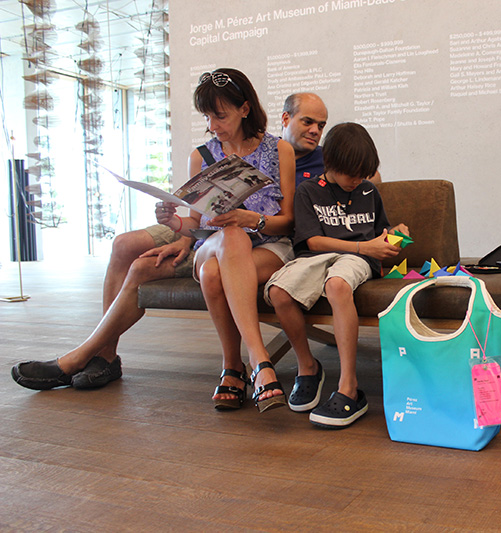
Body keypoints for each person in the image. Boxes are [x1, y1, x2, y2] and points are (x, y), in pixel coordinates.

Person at [12, 69, 295, 414]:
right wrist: (173, 223)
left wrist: (252, 219)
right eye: (207, 117)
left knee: (215, 266)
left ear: (245, 109)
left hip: (266, 246)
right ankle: (260, 363)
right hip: (213, 244)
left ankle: (233, 368)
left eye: (220, 115)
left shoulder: (278, 150)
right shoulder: (201, 156)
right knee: (217, 241)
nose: (212, 125)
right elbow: (194, 223)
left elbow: (288, 221)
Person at [266, 122, 408, 428]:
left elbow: (381, 232)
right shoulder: (308, 191)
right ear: (329, 162)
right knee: (278, 291)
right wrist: (364, 245)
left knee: (338, 285)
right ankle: (308, 367)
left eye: (362, 174)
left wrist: (395, 234)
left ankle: (349, 387)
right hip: (319, 256)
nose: (356, 181)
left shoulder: (368, 190)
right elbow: (313, 242)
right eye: (350, 174)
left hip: (358, 259)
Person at [281, 92, 382, 186]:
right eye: (307, 122)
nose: (315, 131)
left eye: (321, 126)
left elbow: (372, 177)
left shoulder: (330, 159)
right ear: (285, 119)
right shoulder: (271, 155)